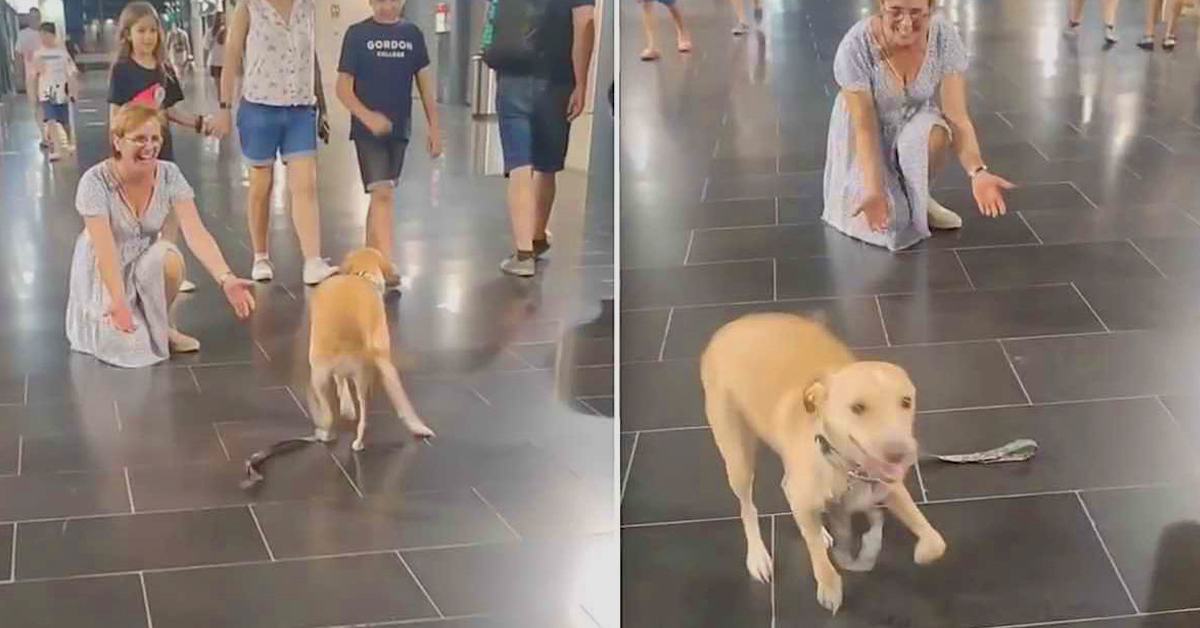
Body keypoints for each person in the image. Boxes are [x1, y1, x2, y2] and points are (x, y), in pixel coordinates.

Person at [66, 104, 255, 369]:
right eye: (140, 139)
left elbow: (196, 232)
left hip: (142, 259)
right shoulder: (94, 182)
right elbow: (104, 248)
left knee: (169, 257)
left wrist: (226, 278)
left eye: (155, 139)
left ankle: (161, 325)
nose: (150, 146)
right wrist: (118, 302)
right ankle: (132, 320)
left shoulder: (169, 174)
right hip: (103, 270)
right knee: (130, 347)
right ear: (117, 142)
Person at [822, 0, 1013, 252]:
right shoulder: (855, 46)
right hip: (865, 132)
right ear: (881, 4)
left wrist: (977, 171)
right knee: (893, 223)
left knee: (937, 134)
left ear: (930, 8)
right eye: (896, 11)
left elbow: (956, 115)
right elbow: (865, 128)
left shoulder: (943, 36)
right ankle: (905, 202)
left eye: (916, 13)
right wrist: (874, 190)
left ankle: (920, 198)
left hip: (911, 117)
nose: (906, 23)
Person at [211, 0, 338, 286]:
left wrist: (323, 106)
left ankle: (313, 260)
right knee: (261, 186)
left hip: (300, 109)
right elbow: (231, 54)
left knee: (305, 185)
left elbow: (310, 56)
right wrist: (224, 107)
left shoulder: (307, 7)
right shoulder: (250, 7)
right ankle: (260, 255)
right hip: (259, 107)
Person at [335, 0, 442, 291]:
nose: (387, 6)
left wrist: (435, 126)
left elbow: (425, 83)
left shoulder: (413, 35)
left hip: (399, 130)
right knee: (382, 193)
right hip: (368, 132)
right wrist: (367, 117)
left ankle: (368, 261)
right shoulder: (357, 35)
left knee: (381, 194)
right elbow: (343, 88)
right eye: (380, 0)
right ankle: (386, 265)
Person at [109, 2, 210, 293]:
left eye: (153, 30)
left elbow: (171, 110)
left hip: (162, 152)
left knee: (170, 208)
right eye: (141, 31)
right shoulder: (123, 70)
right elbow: (115, 114)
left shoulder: (164, 69)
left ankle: (168, 267)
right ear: (128, 34)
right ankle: (135, 270)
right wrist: (117, 150)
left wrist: (199, 123)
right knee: (137, 211)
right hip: (133, 155)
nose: (148, 37)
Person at [495, 0, 596, 277]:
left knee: (519, 165)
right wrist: (581, 82)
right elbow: (585, 22)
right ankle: (537, 236)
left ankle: (523, 252)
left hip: (512, 76)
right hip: (557, 80)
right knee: (546, 165)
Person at [30, 23, 80, 162]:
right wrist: (33, 95)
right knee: (50, 120)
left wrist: (73, 91)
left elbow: (71, 73)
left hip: (61, 93)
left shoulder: (62, 54)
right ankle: (56, 149)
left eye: (46, 35)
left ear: (53, 35)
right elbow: (34, 75)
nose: (43, 39)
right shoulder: (38, 54)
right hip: (46, 93)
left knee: (64, 122)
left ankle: (69, 141)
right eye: (41, 36)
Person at [16, 9, 45, 146]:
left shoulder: (45, 34)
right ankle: (44, 136)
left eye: (36, 17)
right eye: (32, 18)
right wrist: (19, 76)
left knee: (48, 105)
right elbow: (18, 57)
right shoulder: (23, 35)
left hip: (47, 76)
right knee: (36, 106)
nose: (34, 20)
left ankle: (50, 135)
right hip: (31, 76)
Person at [207, 13, 226, 86]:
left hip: (215, 61)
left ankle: (219, 97)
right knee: (224, 85)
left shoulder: (210, 32)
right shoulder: (227, 30)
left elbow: (207, 47)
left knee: (218, 85)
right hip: (224, 61)